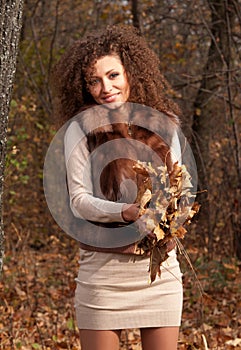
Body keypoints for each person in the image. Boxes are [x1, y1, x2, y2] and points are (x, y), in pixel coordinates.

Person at [51, 24, 184, 350]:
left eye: (113, 75)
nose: (105, 87)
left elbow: (178, 188)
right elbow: (79, 201)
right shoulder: (80, 130)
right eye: (94, 81)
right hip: (103, 272)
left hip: (159, 270)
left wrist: (166, 214)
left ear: (130, 74)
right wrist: (126, 212)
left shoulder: (164, 124)